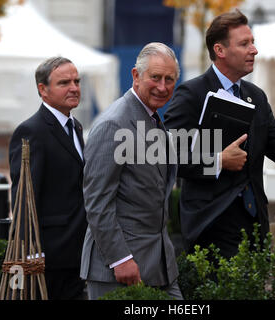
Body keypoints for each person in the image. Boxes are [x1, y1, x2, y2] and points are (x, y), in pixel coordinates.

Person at [164, 10, 275, 259]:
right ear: (220, 50)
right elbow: (169, 154)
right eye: (244, 43)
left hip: (255, 223)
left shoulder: (256, 96)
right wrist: (219, 161)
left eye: (253, 42)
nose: (254, 50)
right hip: (211, 225)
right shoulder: (192, 94)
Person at [80, 42, 183, 300]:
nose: (162, 86)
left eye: (169, 79)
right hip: (119, 270)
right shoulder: (113, 124)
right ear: (136, 76)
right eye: (155, 77)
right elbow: (97, 202)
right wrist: (120, 259)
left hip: (157, 265)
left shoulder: (153, 117)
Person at [9, 57, 87, 299]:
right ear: (43, 90)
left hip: (77, 252)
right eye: (64, 82)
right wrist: (30, 250)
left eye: (76, 81)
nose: (74, 87)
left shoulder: (76, 127)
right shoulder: (31, 131)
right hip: (48, 257)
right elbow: (23, 196)